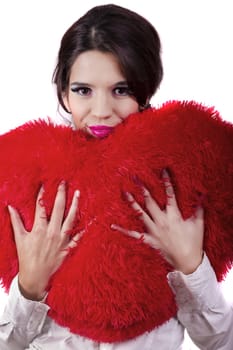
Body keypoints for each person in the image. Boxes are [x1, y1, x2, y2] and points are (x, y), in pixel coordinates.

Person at [0, 4, 233, 349]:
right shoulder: (31, 182)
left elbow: (221, 342)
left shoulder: (173, 179)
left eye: (120, 90)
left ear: (145, 92)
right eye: (83, 90)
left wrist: (191, 267)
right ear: (63, 92)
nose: (101, 111)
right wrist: (29, 287)